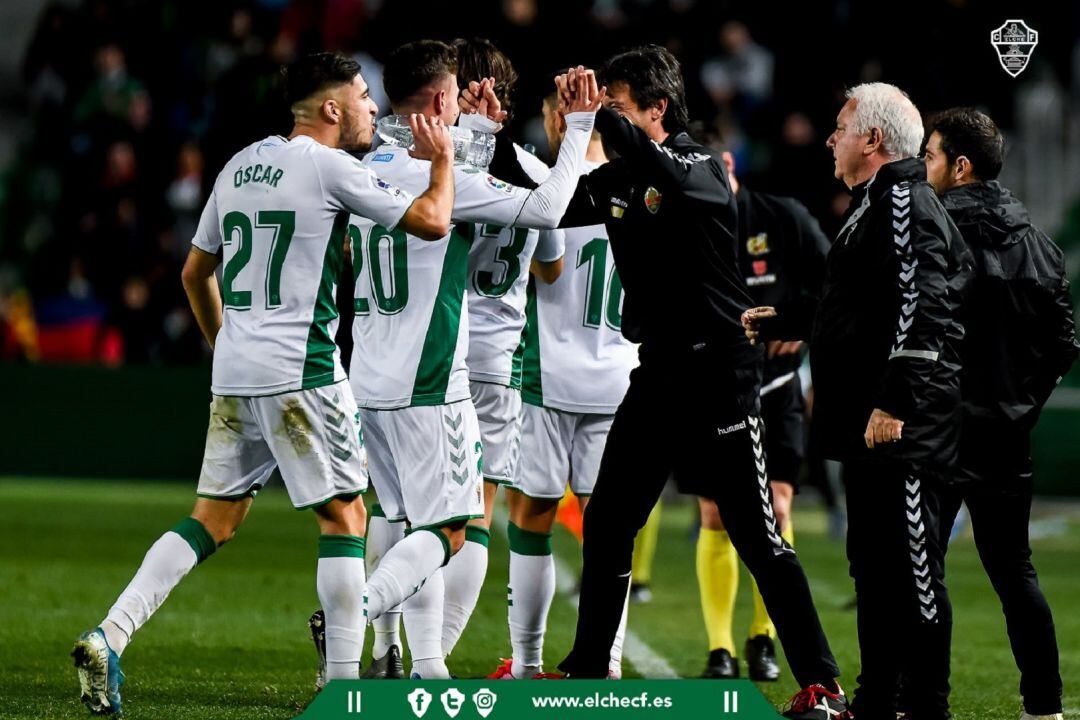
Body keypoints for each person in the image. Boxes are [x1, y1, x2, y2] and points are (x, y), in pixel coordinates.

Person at [71, 52, 456, 714]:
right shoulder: (332, 167)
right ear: (330, 108)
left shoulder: (239, 166)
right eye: (363, 97)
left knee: (213, 520)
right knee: (346, 517)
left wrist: (227, 346)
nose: (372, 108)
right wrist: (445, 162)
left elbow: (196, 273)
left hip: (238, 370)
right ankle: (342, 689)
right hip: (302, 369)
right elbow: (433, 221)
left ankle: (111, 634)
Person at [549, 47, 846, 719]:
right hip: (658, 374)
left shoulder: (698, 163)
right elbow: (547, 204)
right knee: (608, 521)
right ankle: (590, 669)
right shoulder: (620, 179)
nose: (607, 119)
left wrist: (601, 119)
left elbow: (676, 181)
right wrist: (488, 141)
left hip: (720, 375)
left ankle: (823, 683)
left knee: (758, 538)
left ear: (657, 109)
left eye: (618, 106)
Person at [311, 40, 603, 681]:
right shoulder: (506, 171)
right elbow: (550, 233)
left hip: (368, 369)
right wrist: (577, 130)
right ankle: (402, 643)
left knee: (394, 513)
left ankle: (391, 655)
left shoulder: (362, 166)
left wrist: (469, 134)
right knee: (461, 521)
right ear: (447, 97)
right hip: (457, 364)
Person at [745, 83, 973, 720]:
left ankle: (927, 706)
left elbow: (923, 303)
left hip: (904, 429)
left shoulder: (902, 201)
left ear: (871, 139)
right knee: (874, 571)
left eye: (840, 126)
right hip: (871, 428)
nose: (829, 139)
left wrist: (894, 401)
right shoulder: (876, 203)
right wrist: (783, 320)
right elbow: (856, 311)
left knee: (913, 573)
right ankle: (876, 703)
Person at [909, 107, 1077, 720]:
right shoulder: (1039, 242)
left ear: (960, 165)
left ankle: (924, 704)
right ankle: (1046, 707)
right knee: (1015, 572)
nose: (923, 169)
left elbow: (919, 329)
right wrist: (1021, 404)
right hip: (1007, 436)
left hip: (942, 432)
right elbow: (1064, 346)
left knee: (920, 571)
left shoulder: (932, 231)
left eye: (929, 156)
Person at [487, 89, 638, 680]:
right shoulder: (641, 190)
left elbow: (543, 268)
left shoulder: (549, 185)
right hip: (621, 378)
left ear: (559, 120)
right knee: (610, 531)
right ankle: (610, 664)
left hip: (548, 375)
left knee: (531, 517)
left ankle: (526, 666)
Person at [437, 37, 565, 663]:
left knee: (405, 506)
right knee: (478, 513)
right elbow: (551, 269)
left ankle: (378, 643)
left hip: (429, 350)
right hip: (498, 357)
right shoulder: (538, 175)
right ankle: (427, 659)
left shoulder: (428, 164)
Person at [698, 150, 830, 681]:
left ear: (729, 164)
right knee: (713, 513)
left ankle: (763, 639)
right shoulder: (692, 221)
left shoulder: (782, 216)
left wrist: (798, 322)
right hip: (714, 388)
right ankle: (720, 649)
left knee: (776, 506)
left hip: (776, 388)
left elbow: (833, 280)